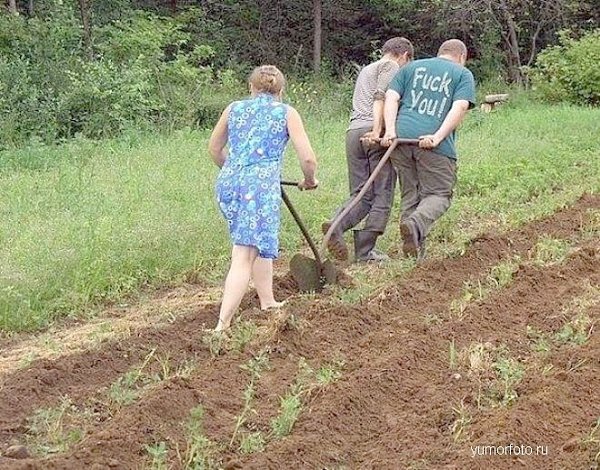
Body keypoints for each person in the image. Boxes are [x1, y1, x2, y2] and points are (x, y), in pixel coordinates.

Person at [208, 65, 318, 331]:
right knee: (244, 254)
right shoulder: (286, 112)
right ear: (280, 90)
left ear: (251, 88)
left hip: (229, 184)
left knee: (257, 241)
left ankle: (267, 300)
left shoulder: (234, 108)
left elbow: (214, 148)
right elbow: (308, 158)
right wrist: (310, 180)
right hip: (258, 190)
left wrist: (237, 172)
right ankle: (222, 326)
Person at [322, 37, 414, 263]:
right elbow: (381, 97)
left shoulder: (367, 69)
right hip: (373, 132)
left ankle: (336, 225)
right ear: (404, 55)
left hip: (353, 131)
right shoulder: (391, 66)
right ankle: (365, 252)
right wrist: (378, 130)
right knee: (383, 193)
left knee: (361, 193)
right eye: (408, 62)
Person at [382, 39, 475, 259]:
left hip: (401, 140)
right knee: (440, 194)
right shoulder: (462, 74)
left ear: (440, 53)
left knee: (410, 195)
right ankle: (414, 225)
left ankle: (413, 253)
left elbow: (391, 97)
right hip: (432, 145)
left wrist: (390, 131)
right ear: (462, 57)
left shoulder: (411, 68)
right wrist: (437, 137)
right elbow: (460, 106)